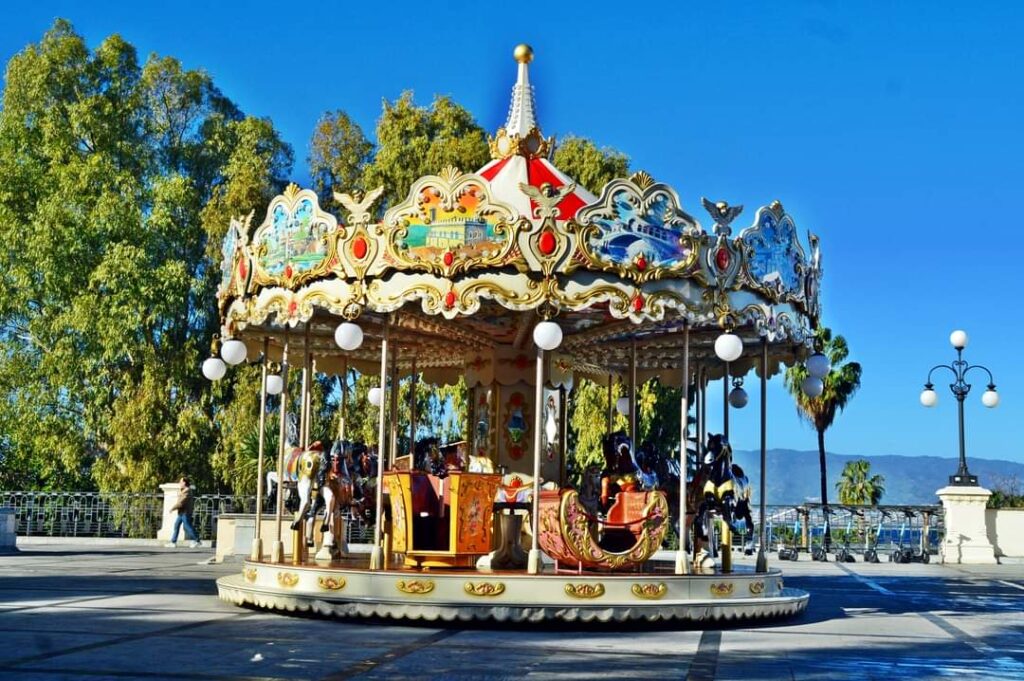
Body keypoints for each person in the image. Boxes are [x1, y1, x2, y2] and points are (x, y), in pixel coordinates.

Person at [166, 476, 202, 548]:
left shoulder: (187, 491)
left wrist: (172, 508)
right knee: (176, 525)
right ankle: (173, 542)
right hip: (181, 512)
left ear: (184, 483)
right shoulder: (183, 490)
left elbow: (181, 503)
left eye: (181, 481)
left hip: (185, 512)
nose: (179, 483)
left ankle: (197, 540)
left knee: (187, 526)